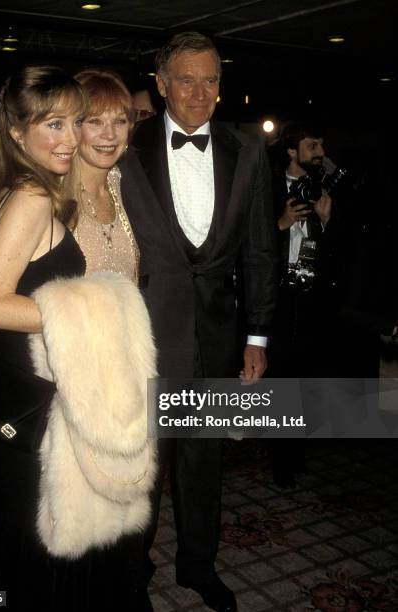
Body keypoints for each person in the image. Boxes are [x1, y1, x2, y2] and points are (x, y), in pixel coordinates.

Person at [0, 65, 154, 611]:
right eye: (57, 124)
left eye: (74, 123)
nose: (72, 138)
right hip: (36, 393)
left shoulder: (31, 187)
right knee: (39, 543)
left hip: (46, 385)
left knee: (31, 538)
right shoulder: (32, 195)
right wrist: (97, 310)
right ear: (17, 132)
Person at [119, 32, 278, 612]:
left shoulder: (247, 149)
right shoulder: (125, 146)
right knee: (140, 466)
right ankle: (131, 572)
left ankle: (197, 567)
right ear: (160, 86)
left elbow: (261, 249)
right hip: (144, 335)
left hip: (216, 335)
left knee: (203, 464)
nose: (199, 91)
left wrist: (257, 335)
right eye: (185, 79)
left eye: (210, 79)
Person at [267, 121, 342, 486]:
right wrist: (280, 224)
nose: (321, 153)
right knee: (279, 377)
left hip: (311, 299)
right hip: (278, 298)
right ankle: (280, 459)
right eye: (313, 145)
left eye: (322, 145)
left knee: (306, 377)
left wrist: (327, 221)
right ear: (292, 151)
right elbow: (248, 245)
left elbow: (345, 252)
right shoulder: (265, 187)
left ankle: (296, 452)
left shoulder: (324, 190)